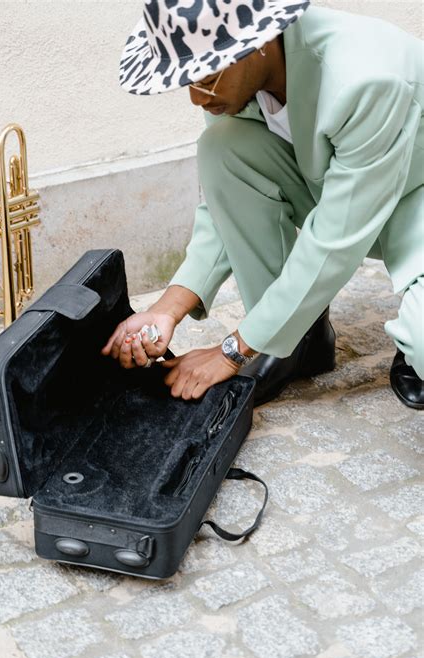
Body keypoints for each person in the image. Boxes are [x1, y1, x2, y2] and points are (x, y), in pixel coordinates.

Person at [101, 0, 424, 409]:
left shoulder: (366, 78)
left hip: (417, 196)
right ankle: (295, 341)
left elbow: (335, 240)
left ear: (260, 41)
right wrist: (167, 309)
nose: (197, 98)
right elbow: (226, 197)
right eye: (188, 79)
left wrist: (231, 351)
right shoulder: (235, 85)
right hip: (345, 192)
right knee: (222, 147)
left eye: (208, 74)